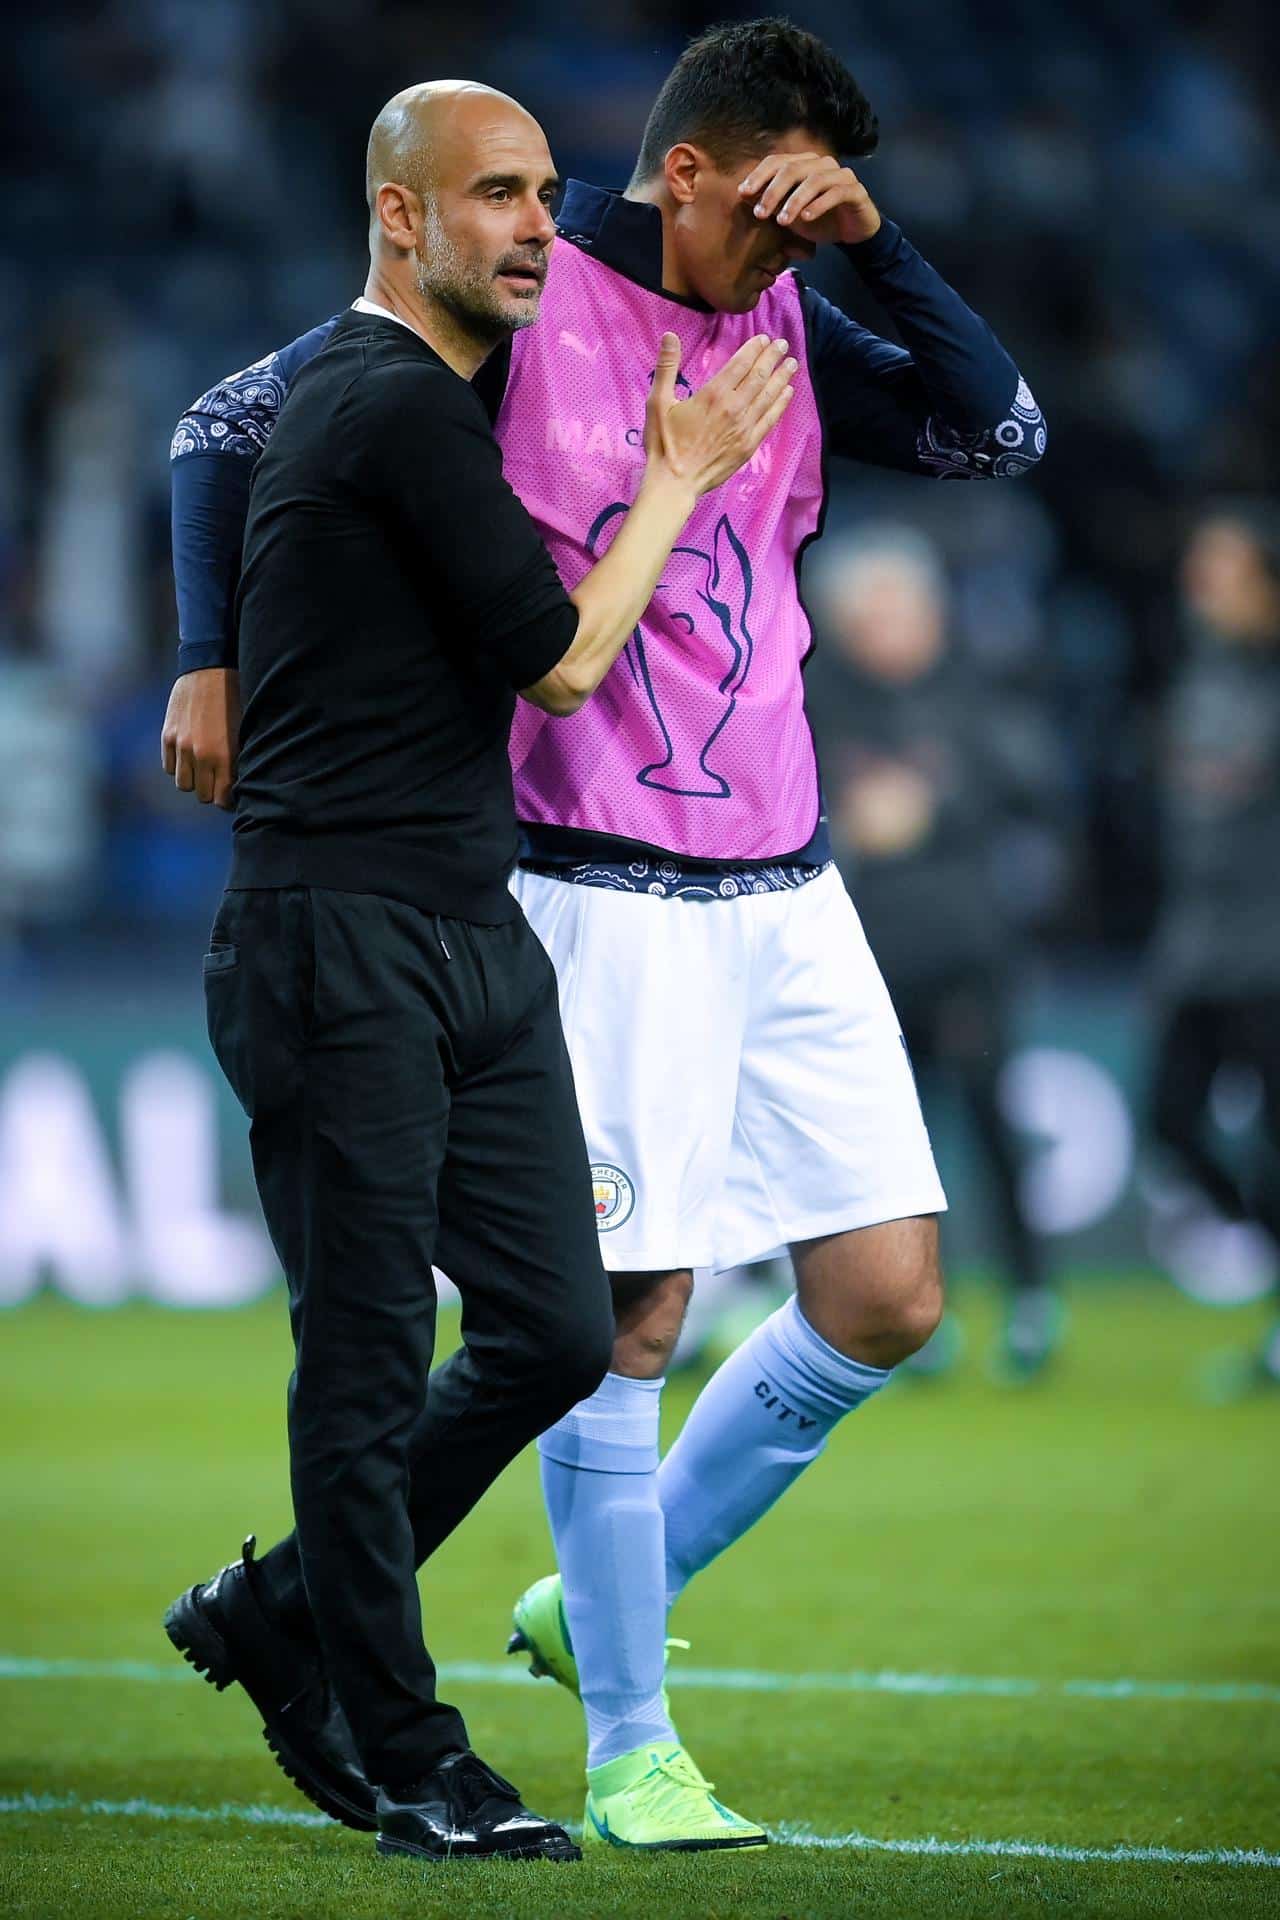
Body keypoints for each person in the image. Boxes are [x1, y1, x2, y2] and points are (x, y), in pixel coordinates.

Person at [163, 19, 1045, 1850]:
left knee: (884, 1299)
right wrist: (206, 647)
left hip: (786, 871)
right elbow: (222, 425)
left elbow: (1001, 427)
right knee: (622, 1318)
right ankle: (635, 1743)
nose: (789, 263)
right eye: (778, 221)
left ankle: (555, 1607)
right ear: (695, 173)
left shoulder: (796, 317)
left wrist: (878, 249)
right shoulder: (528, 299)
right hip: (594, 867)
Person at [161, 77, 794, 1866]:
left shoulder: (432, 398)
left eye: (541, 194)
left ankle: (282, 1612)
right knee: (363, 1363)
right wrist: (679, 476)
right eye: (494, 195)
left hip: (465, 923)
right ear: (399, 219)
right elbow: (568, 667)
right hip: (332, 934)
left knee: (554, 1326)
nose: (533, 224)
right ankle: (401, 1744)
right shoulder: (382, 405)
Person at [806, 529, 1064, 1379]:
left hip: (967, 956)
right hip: (863, 963)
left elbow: (1036, 788)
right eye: (870, 610)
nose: (888, 626)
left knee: (993, 1128)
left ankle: (1032, 1302)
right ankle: (915, 1312)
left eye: (900, 607)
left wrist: (935, 803)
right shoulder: (816, 700)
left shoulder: (974, 693)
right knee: (890, 1152)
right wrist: (853, 819)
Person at [1147, 502, 1280, 1398]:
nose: (1201, 583)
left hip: (1271, 948)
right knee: (1168, 1119)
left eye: (1221, 566)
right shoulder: (1198, 679)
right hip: (1196, 948)